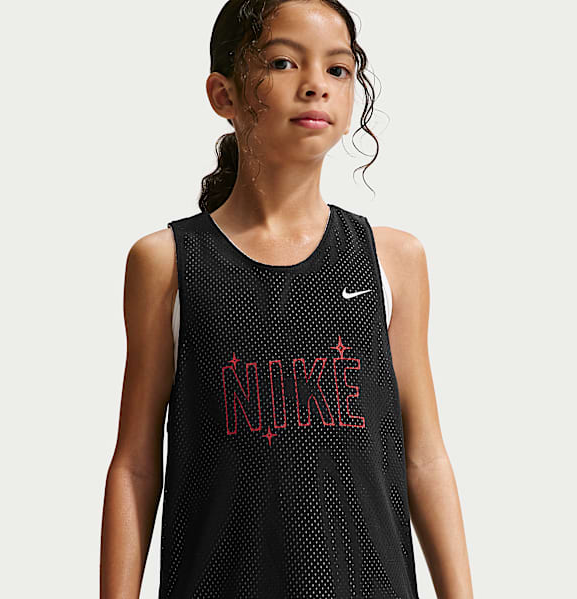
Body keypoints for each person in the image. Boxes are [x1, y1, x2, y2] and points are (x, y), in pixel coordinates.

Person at [100, 1, 474, 597]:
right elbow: (136, 465)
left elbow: (424, 456)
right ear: (223, 95)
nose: (315, 85)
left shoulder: (391, 259)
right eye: (283, 62)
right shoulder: (169, 262)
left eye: (338, 69)